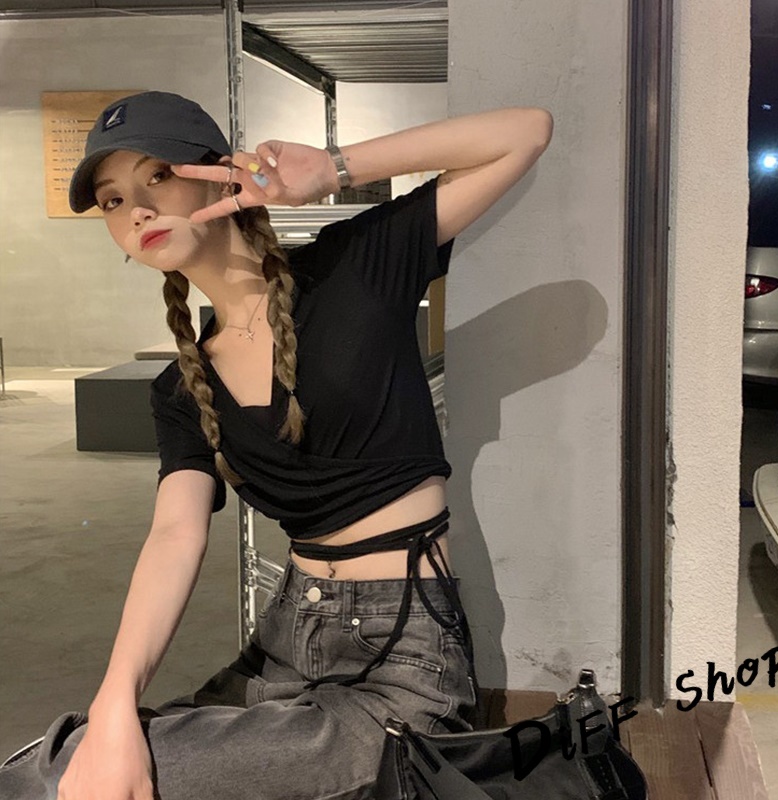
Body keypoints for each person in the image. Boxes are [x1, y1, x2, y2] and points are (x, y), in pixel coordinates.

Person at [0, 91, 553, 800]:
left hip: (403, 667)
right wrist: (114, 702)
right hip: (285, 646)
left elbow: (524, 131)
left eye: (156, 176)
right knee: (79, 764)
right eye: (112, 201)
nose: (136, 210)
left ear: (218, 174)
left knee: (52, 778)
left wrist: (332, 168)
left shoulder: (353, 268)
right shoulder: (181, 388)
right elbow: (174, 535)